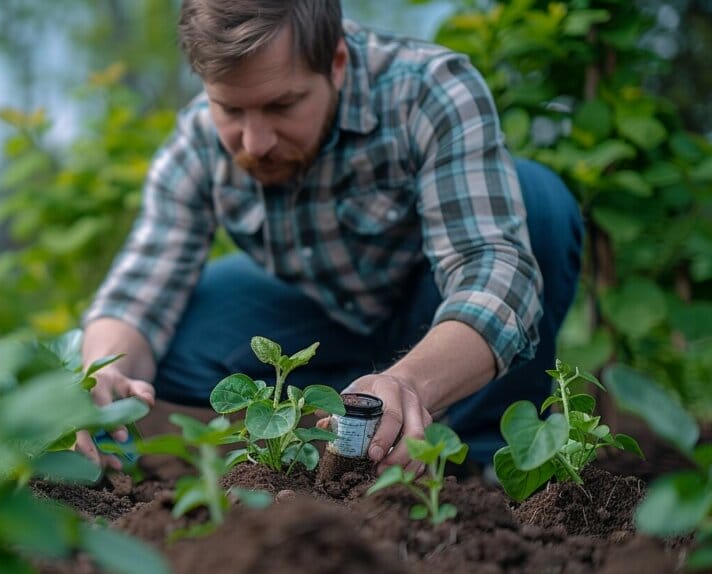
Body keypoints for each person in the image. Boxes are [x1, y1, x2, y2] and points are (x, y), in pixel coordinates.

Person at [74, 0, 582, 476]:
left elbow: (492, 267)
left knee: (538, 202)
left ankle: (478, 451)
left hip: (435, 312)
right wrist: (101, 375)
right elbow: (137, 294)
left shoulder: (429, 89)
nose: (254, 142)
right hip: (325, 326)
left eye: (282, 105)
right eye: (229, 110)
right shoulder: (196, 144)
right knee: (181, 324)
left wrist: (410, 381)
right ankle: (349, 428)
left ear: (336, 63)